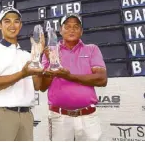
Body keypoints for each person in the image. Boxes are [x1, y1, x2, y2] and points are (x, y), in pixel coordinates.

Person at [40, 13, 108, 141]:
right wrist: (52, 63)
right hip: (59, 117)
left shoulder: (92, 49)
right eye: (67, 26)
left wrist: (69, 76)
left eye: (76, 27)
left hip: (88, 117)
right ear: (61, 30)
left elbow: (102, 79)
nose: (72, 29)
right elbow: (42, 86)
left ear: (81, 31)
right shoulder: (50, 51)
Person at [0, 7, 43, 141]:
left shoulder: (28, 55)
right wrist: (22, 74)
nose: (12, 25)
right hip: (1, 114)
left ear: (20, 25)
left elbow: (37, 86)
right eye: (7, 21)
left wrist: (38, 56)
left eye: (16, 21)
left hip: (26, 116)